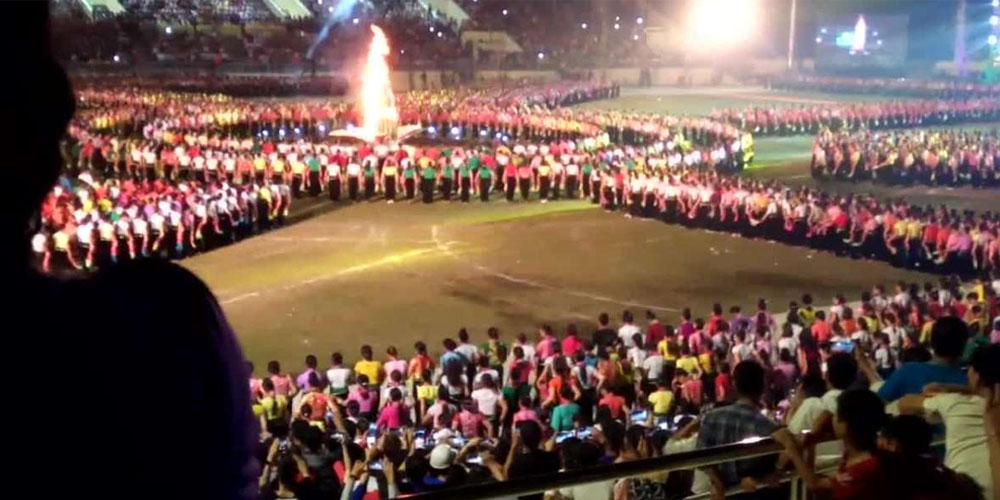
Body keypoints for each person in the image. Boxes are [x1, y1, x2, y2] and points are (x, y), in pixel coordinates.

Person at [898, 344, 999, 499]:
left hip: (961, 493)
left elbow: (905, 404)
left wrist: (948, 390)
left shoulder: (955, 402)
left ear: (976, 376)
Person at [774, 389, 890, 499]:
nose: (833, 419)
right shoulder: (857, 454)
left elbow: (816, 485)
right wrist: (811, 440)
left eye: (837, 415)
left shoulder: (865, 466)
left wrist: (790, 445)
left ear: (846, 425)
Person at [696, 361, 779, 496]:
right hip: (754, 492)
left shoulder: (711, 417)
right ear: (762, 387)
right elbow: (772, 468)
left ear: (734, 384)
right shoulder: (767, 426)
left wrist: (718, 482)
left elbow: (700, 459)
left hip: (721, 493)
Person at [864, 316, 969, 403]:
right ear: (963, 347)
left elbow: (878, 403)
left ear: (932, 342)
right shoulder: (968, 385)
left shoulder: (908, 370)